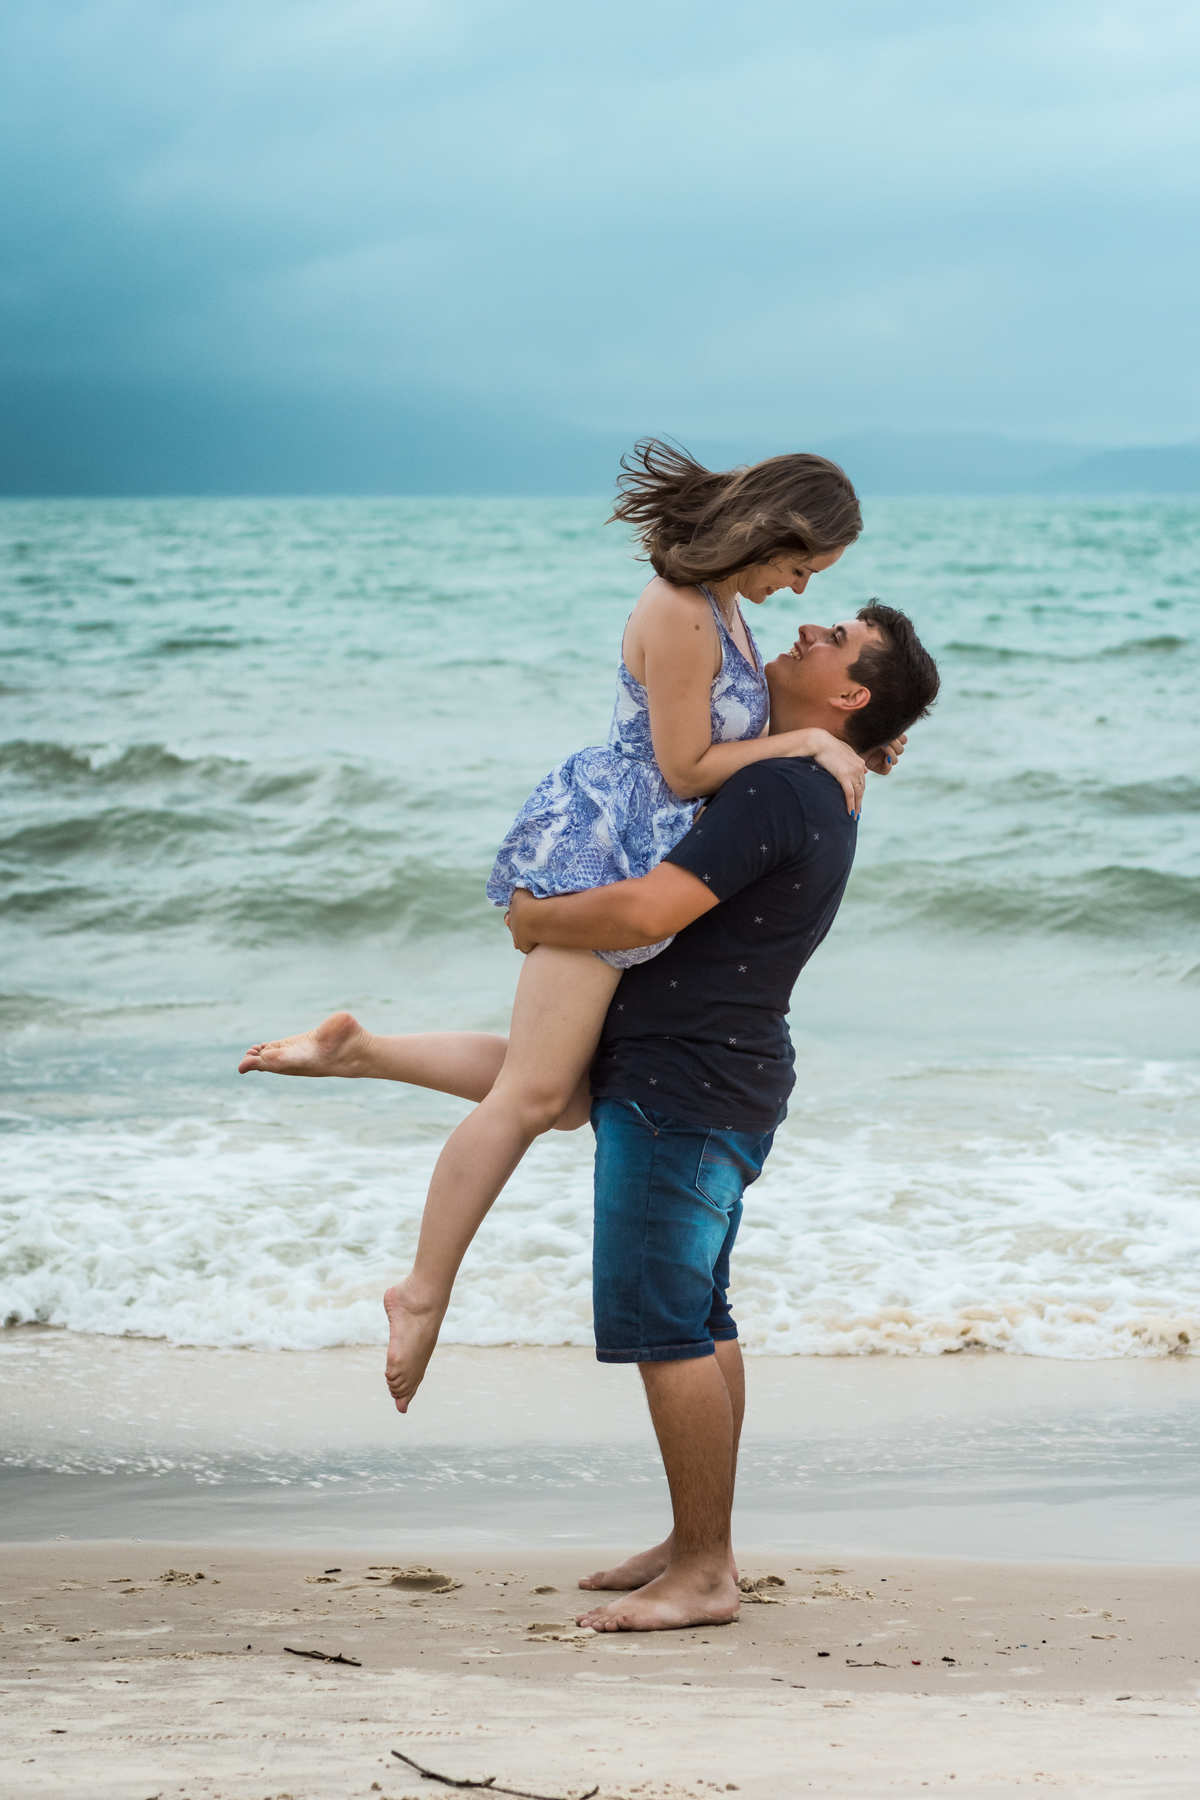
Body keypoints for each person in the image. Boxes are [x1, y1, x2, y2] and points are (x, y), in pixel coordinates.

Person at [240, 442, 904, 1411]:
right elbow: (684, 769)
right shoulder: (679, 610)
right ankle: (421, 1291)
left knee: (567, 1091)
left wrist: (866, 739)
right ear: (770, 531)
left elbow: (739, 731)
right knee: (533, 1096)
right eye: (803, 566)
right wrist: (809, 736)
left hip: (644, 845)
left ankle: (360, 1050)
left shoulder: (724, 608)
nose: (801, 590)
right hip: (610, 848)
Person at [503, 601, 940, 1632]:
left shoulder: (786, 786)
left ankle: (705, 1570)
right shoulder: (809, 776)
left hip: (684, 1082)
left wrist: (533, 917)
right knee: (701, 1316)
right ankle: (695, 1539)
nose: (809, 629)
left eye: (837, 639)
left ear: (851, 695)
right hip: (716, 1072)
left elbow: (651, 908)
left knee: (664, 1325)